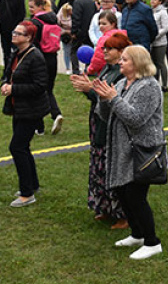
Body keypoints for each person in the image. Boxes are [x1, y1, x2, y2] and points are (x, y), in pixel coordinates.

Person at [91, 45, 165, 260]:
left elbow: (136, 119)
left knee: (136, 196)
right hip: (122, 147)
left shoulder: (149, 87)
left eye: (125, 59)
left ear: (137, 63)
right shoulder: (122, 83)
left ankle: (152, 242)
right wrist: (103, 98)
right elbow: (106, 115)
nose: (120, 62)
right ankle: (137, 234)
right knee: (122, 192)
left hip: (142, 150)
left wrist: (113, 98)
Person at [73, 31, 130, 228]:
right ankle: (105, 207)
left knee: (112, 168)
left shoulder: (120, 74)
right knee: (99, 167)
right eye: (104, 48)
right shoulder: (106, 68)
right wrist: (87, 88)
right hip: (98, 122)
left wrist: (90, 89)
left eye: (110, 49)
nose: (105, 51)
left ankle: (122, 213)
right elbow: (98, 95)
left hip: (111, 126)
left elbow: (110, 98)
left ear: (121, 51)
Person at [2, 21, 48, 207]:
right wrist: (5, 84)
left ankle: (27, 194)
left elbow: (40, 86)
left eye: (18, 33)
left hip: (31, 110)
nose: (14, 35)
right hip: (19, 108)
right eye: (14, 31)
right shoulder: (16, 53)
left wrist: (14, 89)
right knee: (23, 147)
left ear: (28, 37)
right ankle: (32, 184)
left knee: (17, 147)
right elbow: (9, 74)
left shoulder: (35, 57)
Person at [29, 0, 65, 135]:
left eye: (32, 7)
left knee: (37, 91)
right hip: (53, 58)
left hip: (40, 58)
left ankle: (39, 127)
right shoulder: (53, 19)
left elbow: (33, 43)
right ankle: (56, 114)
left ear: (40, 7)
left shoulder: (35, 22)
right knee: (48, 89)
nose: (30, 9)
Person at [0, 0, 27, 69]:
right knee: (6, 53)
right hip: (4, 32)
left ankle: (16, 70)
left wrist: (16, 28)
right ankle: (7, 70)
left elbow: (21, 15)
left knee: (16, 53)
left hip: (15, 31)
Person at [149, 0, 168, 90]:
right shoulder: (150, 11)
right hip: (152, 42)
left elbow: (165, 28)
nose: (152, 1)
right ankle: (155, 83)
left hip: (160, 42)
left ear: (160, 1)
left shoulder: (163, 12)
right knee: (154, 63)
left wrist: (155, 35)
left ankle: (165, 84)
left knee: (160, 63)